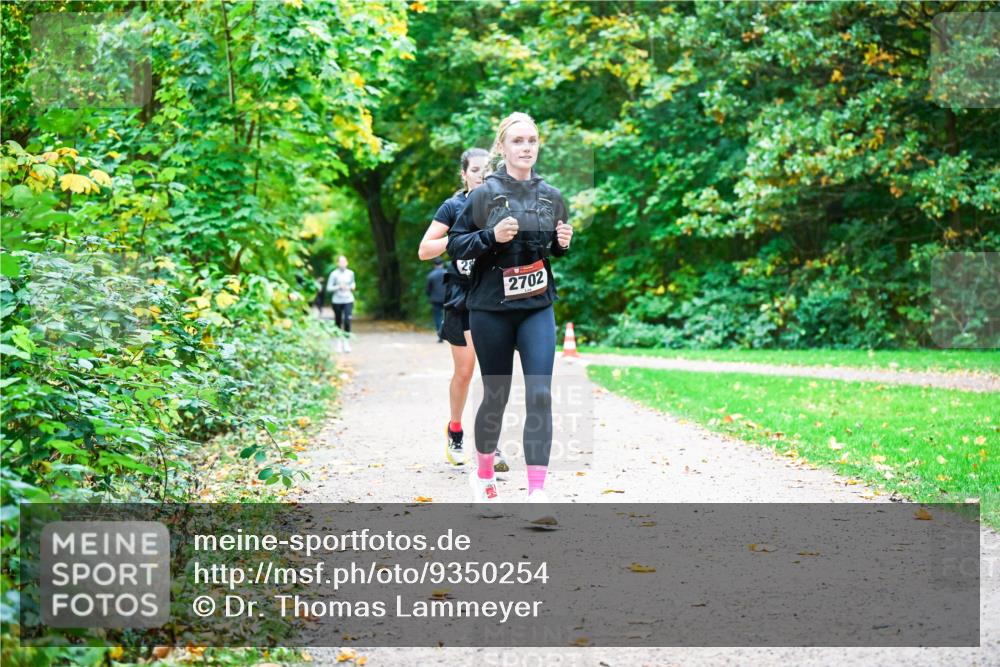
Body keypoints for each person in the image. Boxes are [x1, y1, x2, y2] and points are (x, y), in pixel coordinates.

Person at [447, 112, 573, 523]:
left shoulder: (552, 195)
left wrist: (560, 244)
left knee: (539, 394)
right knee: (496, 396)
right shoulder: (483, 195)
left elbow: (549, 249)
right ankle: (484, 477)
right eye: (518, 140)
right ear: (502, 147)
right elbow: (456, 245)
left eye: (532, 140)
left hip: (536, 306)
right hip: (491, 310)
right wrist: (489, 236)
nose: (526, 147)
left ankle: (537, 495)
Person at [418, 148, 509, 472]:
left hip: (493, 294)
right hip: (462, 295)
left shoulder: (501, 205)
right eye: (475, 170)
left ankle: (490, 443)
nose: (481, 175)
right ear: (464, 174)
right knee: (466, 371)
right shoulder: (453, 206)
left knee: (492, 374)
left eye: (487, 170)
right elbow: (424, 249)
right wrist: (460, 239)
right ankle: (455, 430)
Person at [326, 255, 356, 353]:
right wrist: (339, 286)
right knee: (338, 321)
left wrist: (351, 287)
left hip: (348, 299)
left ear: (347, 263)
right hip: (337, 301)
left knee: (347, 320)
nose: (342, 264)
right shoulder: (333, 274)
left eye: (344, 262)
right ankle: (338, 342)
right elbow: (329, 288)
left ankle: (346, 342)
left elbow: (353, 284)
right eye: (340, 262)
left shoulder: (351, 273)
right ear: (338, 263)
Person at [426, 258, 447, 342]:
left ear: (434, 265)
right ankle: (447, 334)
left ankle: (440, 334)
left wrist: (430, 296)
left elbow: (428, 290)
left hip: (435, 299)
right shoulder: (447, 273)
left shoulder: (431, 275)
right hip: (447, 298)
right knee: (446, 316)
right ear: (442, 264)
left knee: (438, 317)